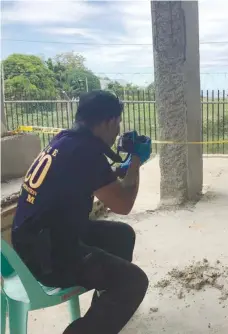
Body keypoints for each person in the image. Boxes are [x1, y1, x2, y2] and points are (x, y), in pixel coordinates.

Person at [12, 90, 151, 333]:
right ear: (109, 121)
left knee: (122, 235)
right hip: (47, 257)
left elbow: (91, 179)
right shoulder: (86, 152)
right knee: (134, 282)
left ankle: (104, 313)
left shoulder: (66, 140)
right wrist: (136, 161)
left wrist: (123, 170)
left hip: (35, 239)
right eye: (117, 124)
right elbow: (123, 205)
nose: (118, 131)